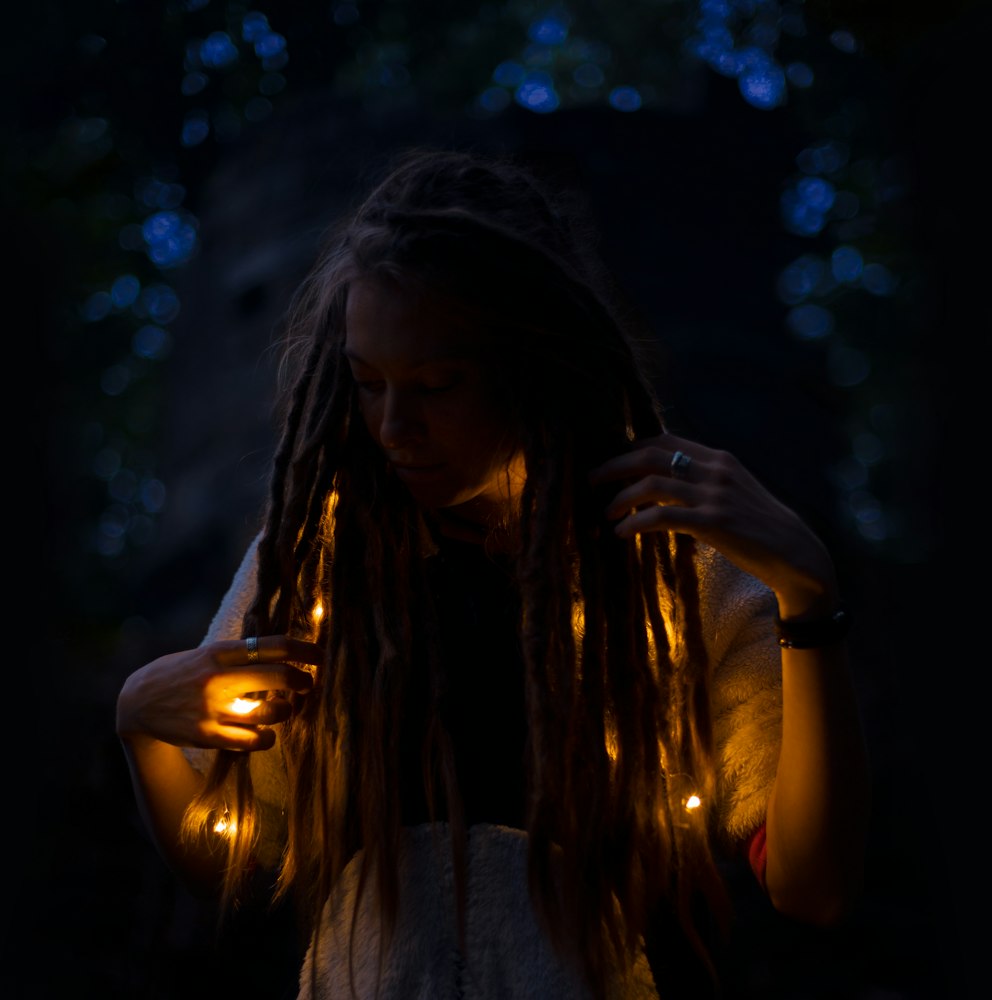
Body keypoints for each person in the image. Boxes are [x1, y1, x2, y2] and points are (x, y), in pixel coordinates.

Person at [116, 147, 871, 999]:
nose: (394, 426)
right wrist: (143, 726)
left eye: (438, 385)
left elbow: (815, 887)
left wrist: (809, 600)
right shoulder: (318, 562)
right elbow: (232, 864)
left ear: (535, 361)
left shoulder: (663, 565)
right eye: (366, 383)